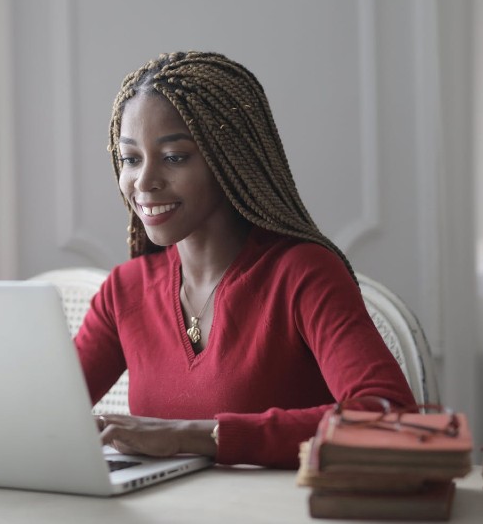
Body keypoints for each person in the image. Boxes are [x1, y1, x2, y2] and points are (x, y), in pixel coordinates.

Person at [74, 51, 416, 470]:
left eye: (174, 156)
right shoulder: (124, 290)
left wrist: (192, 436)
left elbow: (390, 418)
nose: (144, 182)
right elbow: (42, 413)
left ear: (229, 158)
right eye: (131, 159)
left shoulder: (303, 273)